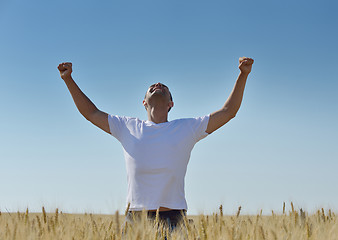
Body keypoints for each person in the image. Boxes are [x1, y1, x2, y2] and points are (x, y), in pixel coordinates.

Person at [57, 57, 254, 228]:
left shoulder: (187, 128)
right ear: (143, 102)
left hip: (174, 218)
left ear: (171, 104)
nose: (158, 84)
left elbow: (229, 112)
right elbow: (91, 113)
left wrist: (243, 75)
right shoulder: (127, 126)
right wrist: (68, 79)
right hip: (136, 220)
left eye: (164, 88)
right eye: (151, 87)